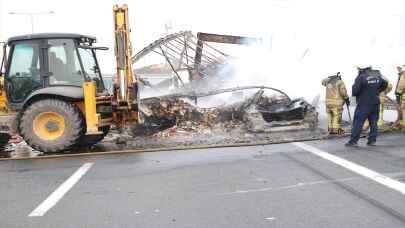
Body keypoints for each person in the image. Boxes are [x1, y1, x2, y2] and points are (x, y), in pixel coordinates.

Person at [346, 66, 388, 147]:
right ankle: (372, 141)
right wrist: (377, 91)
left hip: (363, 104)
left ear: (362, 69)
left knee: (358, 122)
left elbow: (355, 91)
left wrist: (354, 101)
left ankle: (353, 141)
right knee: (373, 123)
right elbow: (385, 84)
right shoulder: (377, 76)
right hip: (375, 104)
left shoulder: (361, 77)